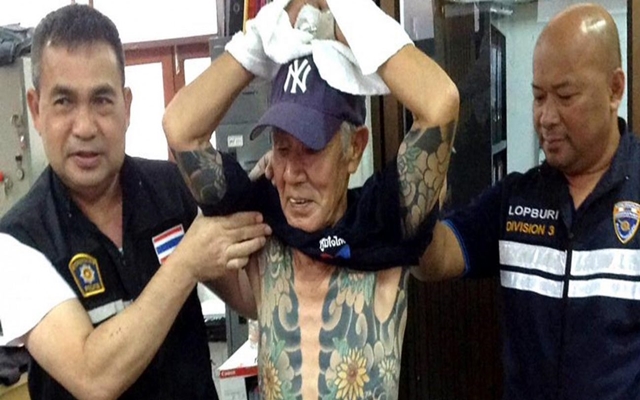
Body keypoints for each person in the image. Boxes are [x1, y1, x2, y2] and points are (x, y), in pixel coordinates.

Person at [163, 0, 459, 398]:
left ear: (355, 148)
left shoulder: (385, 223)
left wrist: (344, 13)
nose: (291, 174)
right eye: (282, 148)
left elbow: (440, 103)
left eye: (312, 149)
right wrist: (262, 38)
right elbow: (180, 128)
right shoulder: (264, 222)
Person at [0, 5, 271, 400]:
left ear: (126, 106)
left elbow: (251, 299)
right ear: (36, 110)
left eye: (102, 100)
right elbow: (93, 376)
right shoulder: (17, 242)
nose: (85, 127)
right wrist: (186, 264)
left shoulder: (171, 188)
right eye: (64, 102)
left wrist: (275, 200)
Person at [417, 3, 637, 399]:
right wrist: (417, 196)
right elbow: (435, 259)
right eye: (538, 97)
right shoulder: (517, 199)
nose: (546, 117)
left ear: (614, 89)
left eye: (565, 96)